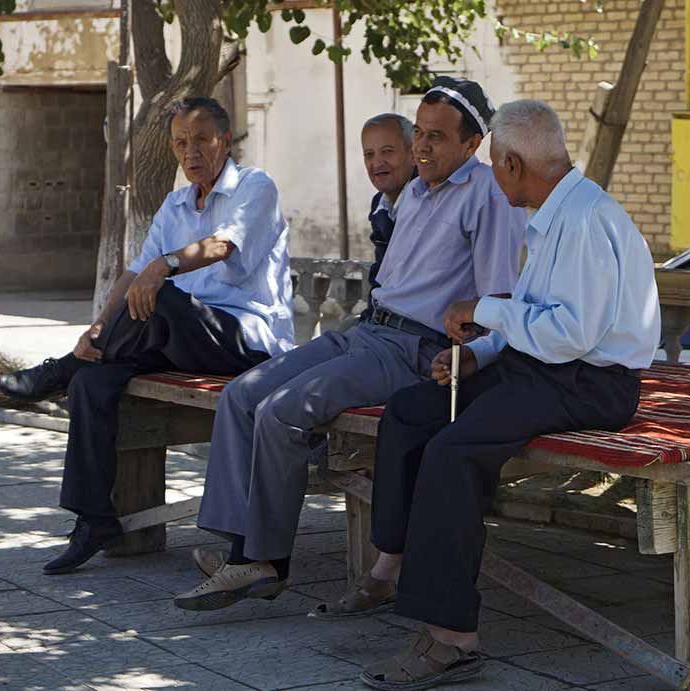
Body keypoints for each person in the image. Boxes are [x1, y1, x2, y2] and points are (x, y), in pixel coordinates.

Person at [175, 78, 527, 612]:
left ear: (473, 143)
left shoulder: (487, 196)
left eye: (436, 137)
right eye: (420, 136)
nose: (422, 148)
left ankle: (264, 562)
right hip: (367, 330)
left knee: (281, 412)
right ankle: (238, 545)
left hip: (412, 348)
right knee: (241, 395)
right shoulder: (414, 191)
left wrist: (475, 354)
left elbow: (497, 298)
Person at [355, 100, 662, 691]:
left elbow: (570, 335)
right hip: (542, 368)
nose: (493, 178)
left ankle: (453, 638)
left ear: (515, 163)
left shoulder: (587, 221)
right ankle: (390, 562)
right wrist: (477, 353)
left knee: (452, 451)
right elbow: (533, 318)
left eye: (496, 166)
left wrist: (482, 310)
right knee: (413, 412)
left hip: (589, 384)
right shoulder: (553, 212)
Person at [0, 96, 294, 575]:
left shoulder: (255, 186)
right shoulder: (175, 205)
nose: (190, 151)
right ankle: (95, 518)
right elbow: (133, 275)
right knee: (94, 383)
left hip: (245, 342)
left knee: (165, 298)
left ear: (225, 139)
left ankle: (59, 371)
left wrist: (165, 266)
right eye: (180, 142)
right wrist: (96, 329)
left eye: (200, 139)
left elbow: (221, 246)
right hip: (175, 340)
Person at [358, 112, 417, 320]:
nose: (377, 163)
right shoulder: (380, 204)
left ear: (413, 153)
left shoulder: (428, 199)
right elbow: (380, 273)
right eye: (369, 154)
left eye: (388, 152)